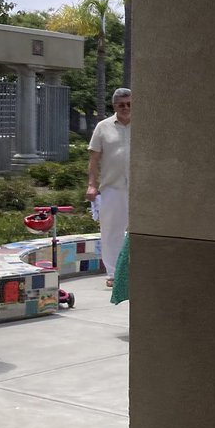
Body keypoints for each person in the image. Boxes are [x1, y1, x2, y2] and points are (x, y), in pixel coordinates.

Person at [87, 88, 131, 289]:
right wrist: (91, 185)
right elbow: (94, 159)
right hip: (113, 187)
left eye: (129, 104)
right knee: (111, 231)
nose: (126, 108)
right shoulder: (103, 127)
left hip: (140, 189)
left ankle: (135, 271)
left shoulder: (144, 126)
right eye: (121, 104)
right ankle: (113, 274)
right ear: (114, 106)